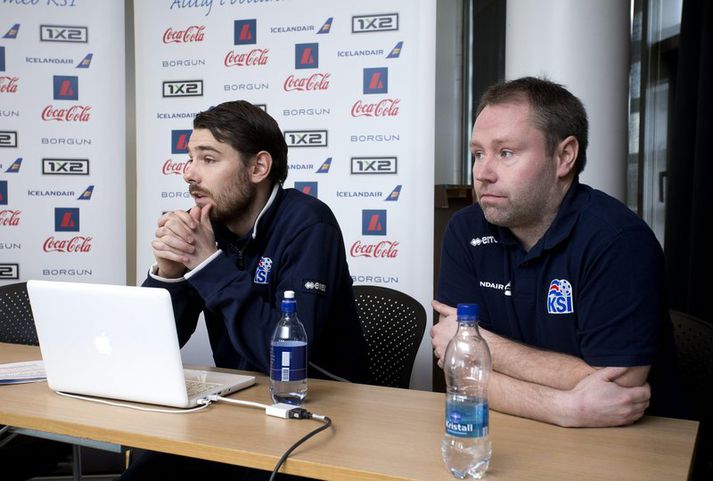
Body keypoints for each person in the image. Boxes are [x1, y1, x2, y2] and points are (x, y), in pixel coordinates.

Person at [121, 100, 369, 480]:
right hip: (234, 411)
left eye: (208, 159)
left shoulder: (309, 224)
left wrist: (207, 265)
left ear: (258, 167)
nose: (189, 173)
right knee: (142, 477)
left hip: (314, 421)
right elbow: (143, 347)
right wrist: (168, 273)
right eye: (190, 159)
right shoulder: (209, 227)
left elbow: (289, 361)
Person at [431, 77, 687, 428]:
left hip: (630, 444)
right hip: (518, 431)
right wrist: (564, 407)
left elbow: (618, 389)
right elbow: (459, 371)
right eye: (478, 153)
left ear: (564, 156)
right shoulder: (466, 230)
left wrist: (480, 343)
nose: (482, 173)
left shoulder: (618, 241)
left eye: (505, 153)